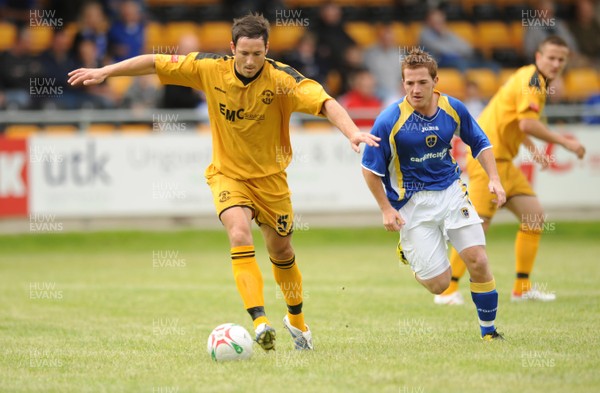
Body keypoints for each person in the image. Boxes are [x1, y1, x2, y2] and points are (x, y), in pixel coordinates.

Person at [68, 13, 379, 351]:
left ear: (267, 49)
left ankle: (297, 321)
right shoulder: (208, 67)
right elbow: (153, 62)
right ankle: (260, 321)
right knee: (238, 232)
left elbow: (326, 102)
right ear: (232, 48)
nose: (249, 61)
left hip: (271, 181)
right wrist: (105, 71)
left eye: (257, 54)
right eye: (243, 53)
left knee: (282, 249)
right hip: (227, 174)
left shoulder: (282, 79)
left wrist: (352, 133)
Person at [361, 48, 506, 340]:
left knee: (477, 259)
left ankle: (489, 332)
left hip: (452, 192)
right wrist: (386, 209)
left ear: (435, 81)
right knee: (439, 285)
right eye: (409, 83)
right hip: (413, 204)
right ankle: (409, 250)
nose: (415, 89)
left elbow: (480, 141)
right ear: (403, 83)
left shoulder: (453, 109)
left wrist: (494, 179)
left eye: (422, 83)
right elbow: (369, 169)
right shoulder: (390, 120)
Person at [436, 36, 586, 306]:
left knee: (534, 216)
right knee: (477, 226)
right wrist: (566, 141)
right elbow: (527, 124)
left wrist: (532, 149)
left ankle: (522, 288)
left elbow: (516, 122)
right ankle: (447, 291)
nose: (555, 63)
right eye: (550, 57)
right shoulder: (534, 82)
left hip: (503, 161)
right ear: (538, 57)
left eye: (561, 59)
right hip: (487, 159)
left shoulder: (527, 77)